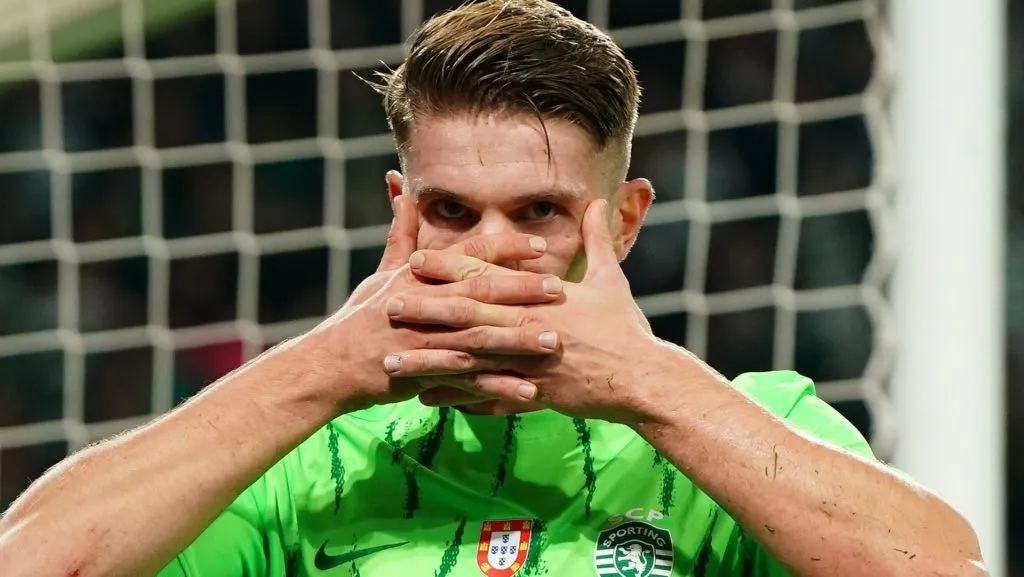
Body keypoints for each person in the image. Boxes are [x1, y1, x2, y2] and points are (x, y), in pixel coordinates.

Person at [0, 1, 986, 576]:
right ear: (401, 208)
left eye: (541, 211)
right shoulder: (305, 459)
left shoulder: (751, 425)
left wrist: (649, 386)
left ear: (627, 219)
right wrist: (321, 369)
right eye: (452, 210)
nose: (492, 249)